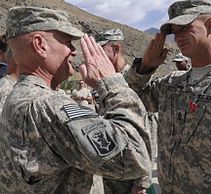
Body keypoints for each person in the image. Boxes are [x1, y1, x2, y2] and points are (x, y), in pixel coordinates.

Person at [0, 6, 153, 194]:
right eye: (67, 42)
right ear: (40, 45)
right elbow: (134, 158)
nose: (73, 51)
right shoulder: (46, 104)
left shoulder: (21, 95)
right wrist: (112, 83)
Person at [126, 0, 211, 193]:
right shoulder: (172, 83)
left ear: (210, 25)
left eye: (185, 28)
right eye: (175, 31)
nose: (178, 37)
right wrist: (145, 67)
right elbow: (132, 100)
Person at [96, 29, 159, 194]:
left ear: (116, 49)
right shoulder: (106, 82)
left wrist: (142, 182)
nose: (94, 58)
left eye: (99, 52)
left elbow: (148, 132)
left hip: (134, 179)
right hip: (113, 172)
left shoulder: (136, 81)